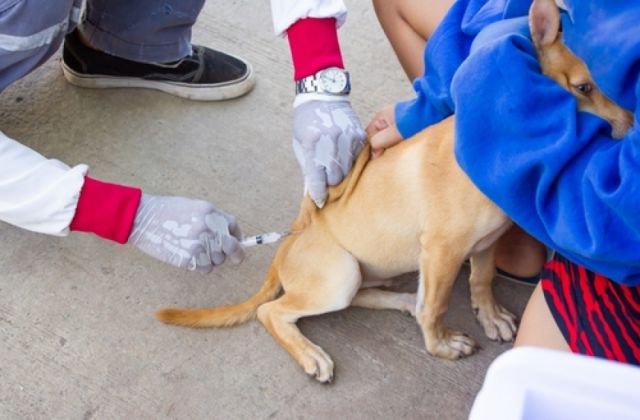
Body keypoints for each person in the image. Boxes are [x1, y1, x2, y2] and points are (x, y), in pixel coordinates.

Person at [365, 0, 640, 364]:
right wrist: (426, 106)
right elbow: (506, 10)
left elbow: (619, 224)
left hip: (618, 229)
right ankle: (516, 237)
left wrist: (451, 102)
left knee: (529, 379)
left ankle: (513, 227)